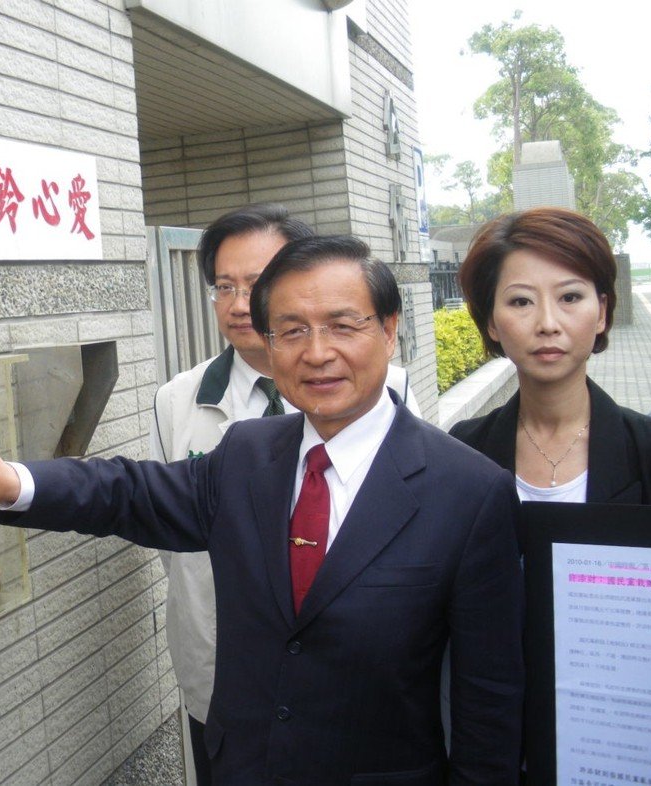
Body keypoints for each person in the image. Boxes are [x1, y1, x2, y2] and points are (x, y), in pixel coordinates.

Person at [0, 236, 524, 784]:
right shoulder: (246, 453)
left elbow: (489, 704)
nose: (318, 353)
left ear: (389, 330)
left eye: (343, 326)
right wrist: (13, 480)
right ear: (268, 342)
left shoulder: (469, 491)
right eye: (291, 331)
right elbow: (131, 492)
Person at [151, 204, 421, 784]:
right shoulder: (177, 399)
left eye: (257, 283)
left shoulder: (387, 387)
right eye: (224, 286)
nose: (239, 303)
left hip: (356, 688)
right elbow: (170, 523)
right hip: (222, 676)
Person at [450, 207, 651, 504]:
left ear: (601, 312)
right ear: (491, 321)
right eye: (521, 301)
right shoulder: (463, 449)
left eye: (569, 297)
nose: (548, 324)